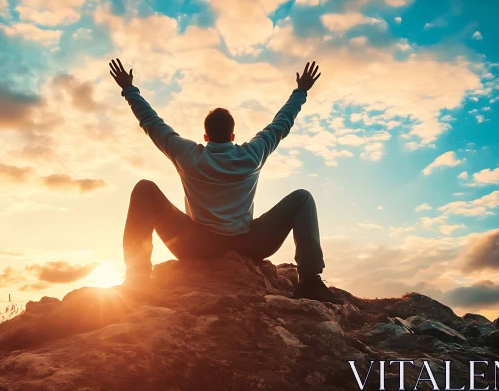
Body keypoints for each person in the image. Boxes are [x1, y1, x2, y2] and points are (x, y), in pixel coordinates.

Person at [110, 58, 341, 303]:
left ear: (206, 136)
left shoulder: (187, 155)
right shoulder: (253, 154)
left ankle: (136, 280)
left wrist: (128, 89)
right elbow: (281, 123)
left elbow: (151, 122)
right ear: (232, 135)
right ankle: (309, 281)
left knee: (144, 189)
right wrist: (301, 91)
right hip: (249, 245)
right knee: (302, 198)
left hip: (196, 247)